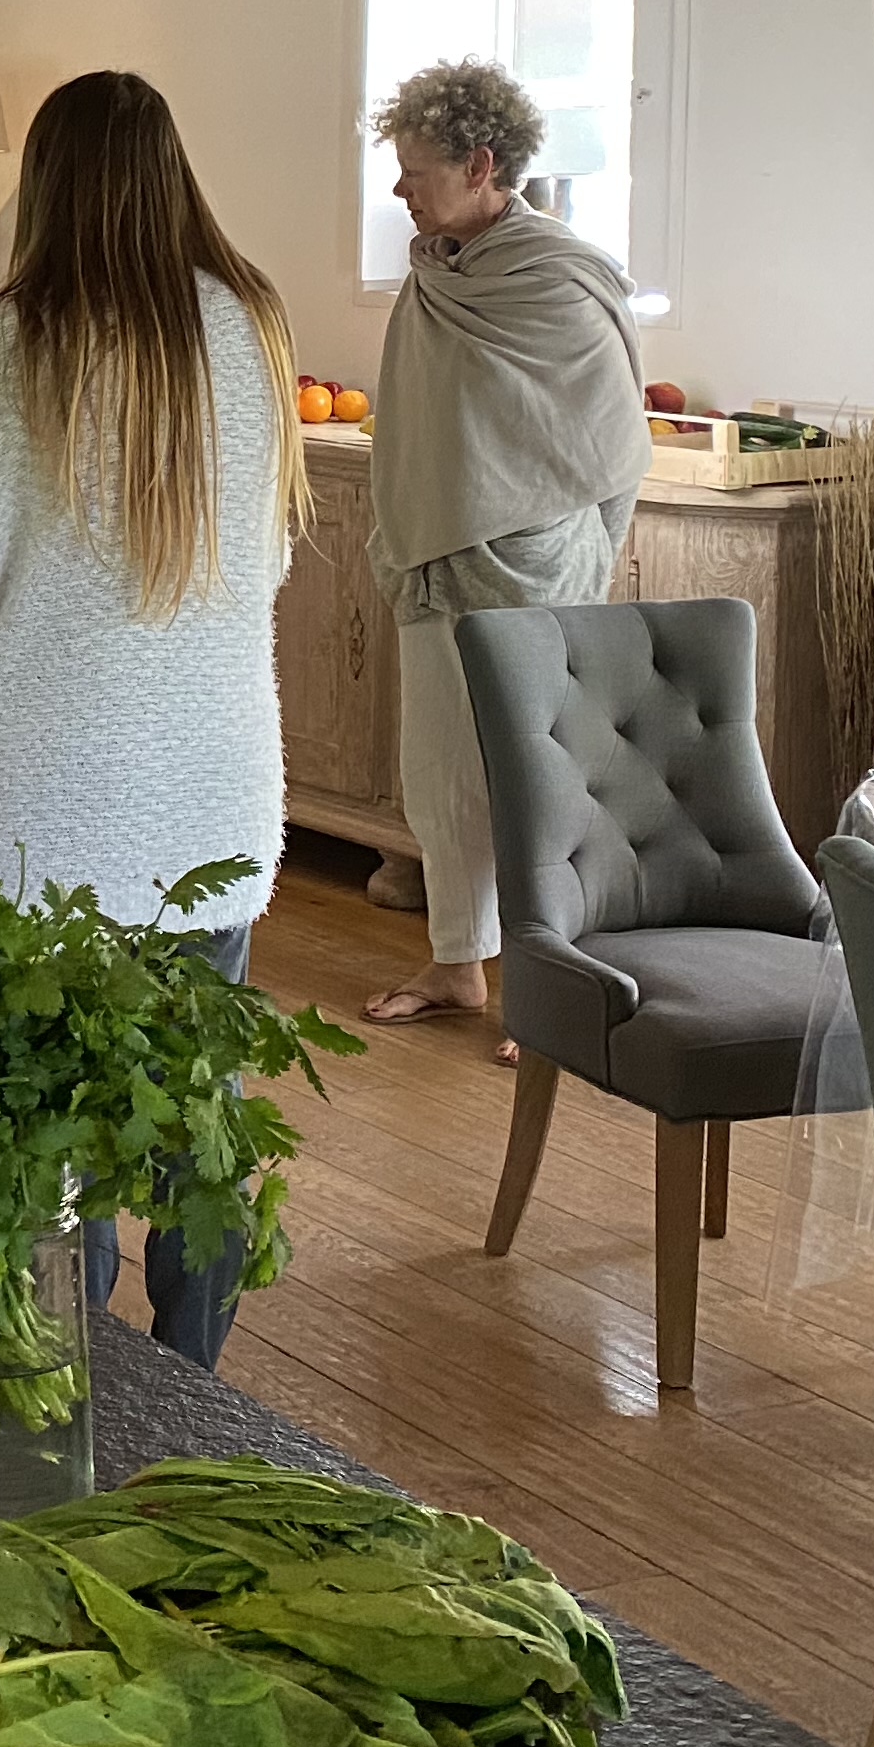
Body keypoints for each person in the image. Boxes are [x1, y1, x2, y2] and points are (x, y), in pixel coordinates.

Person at [0, 68, 304, 1369]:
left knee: (41, 1112)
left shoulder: (11, 340)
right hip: (211, 784)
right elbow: (272, 558)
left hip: (47, 793)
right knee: (196, 1108)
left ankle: (67, 1378)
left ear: (48, 183)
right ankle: (191, 1385)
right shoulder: (252, 326)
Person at [358, 57, 650, 1041]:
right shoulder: (437, 273)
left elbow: (603, 445)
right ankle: (457, 964)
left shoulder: (558, 279)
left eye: (416, 170)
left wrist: (567, 550)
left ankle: (548, 983)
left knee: (534, 783)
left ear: (481, 164)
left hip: (531, 564)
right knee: (441, 775)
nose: (400, 188)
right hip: (434, 555)